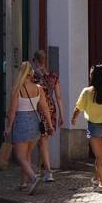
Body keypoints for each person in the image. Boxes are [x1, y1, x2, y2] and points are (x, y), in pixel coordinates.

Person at [5, 61, 53, 193]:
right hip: (35, 121)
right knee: (26, 155)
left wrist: (8, 127)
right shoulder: (38, 88)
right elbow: (45, 108)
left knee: (20, 157)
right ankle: (23, 184)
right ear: (31, 73)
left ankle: (33, 178)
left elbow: (12, 111)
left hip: (21, 121)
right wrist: (49, 125)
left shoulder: (17, 89)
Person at [71, 64, 102, 191]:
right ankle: (96, 178)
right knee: (101, 156)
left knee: (99, 157)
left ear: (92, 76)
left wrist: (74, 118)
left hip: (94, 127)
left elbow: (78, 108)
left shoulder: (87, 92)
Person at [31, 49, 64, 182]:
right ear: (46, 61)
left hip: (39, 109)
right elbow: (59, 97)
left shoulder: (33, 76)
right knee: (43, 140)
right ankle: (38, 168)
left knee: (43, 141)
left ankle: (49, 172)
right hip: (51, 109)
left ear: (37, 60)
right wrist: (62, 114)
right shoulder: (53, 76)